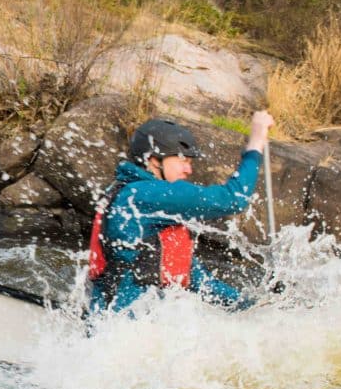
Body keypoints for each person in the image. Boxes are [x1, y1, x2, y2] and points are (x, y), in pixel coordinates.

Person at [88, 110, 274, 312]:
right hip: (123, 330)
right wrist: (256, 143)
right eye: (183, 160)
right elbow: (233, 199)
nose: (189, 170)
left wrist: (257, 308)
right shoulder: (144, 195)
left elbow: (201, 283)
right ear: (153, 161)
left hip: (122, 328)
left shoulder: (142, 203)